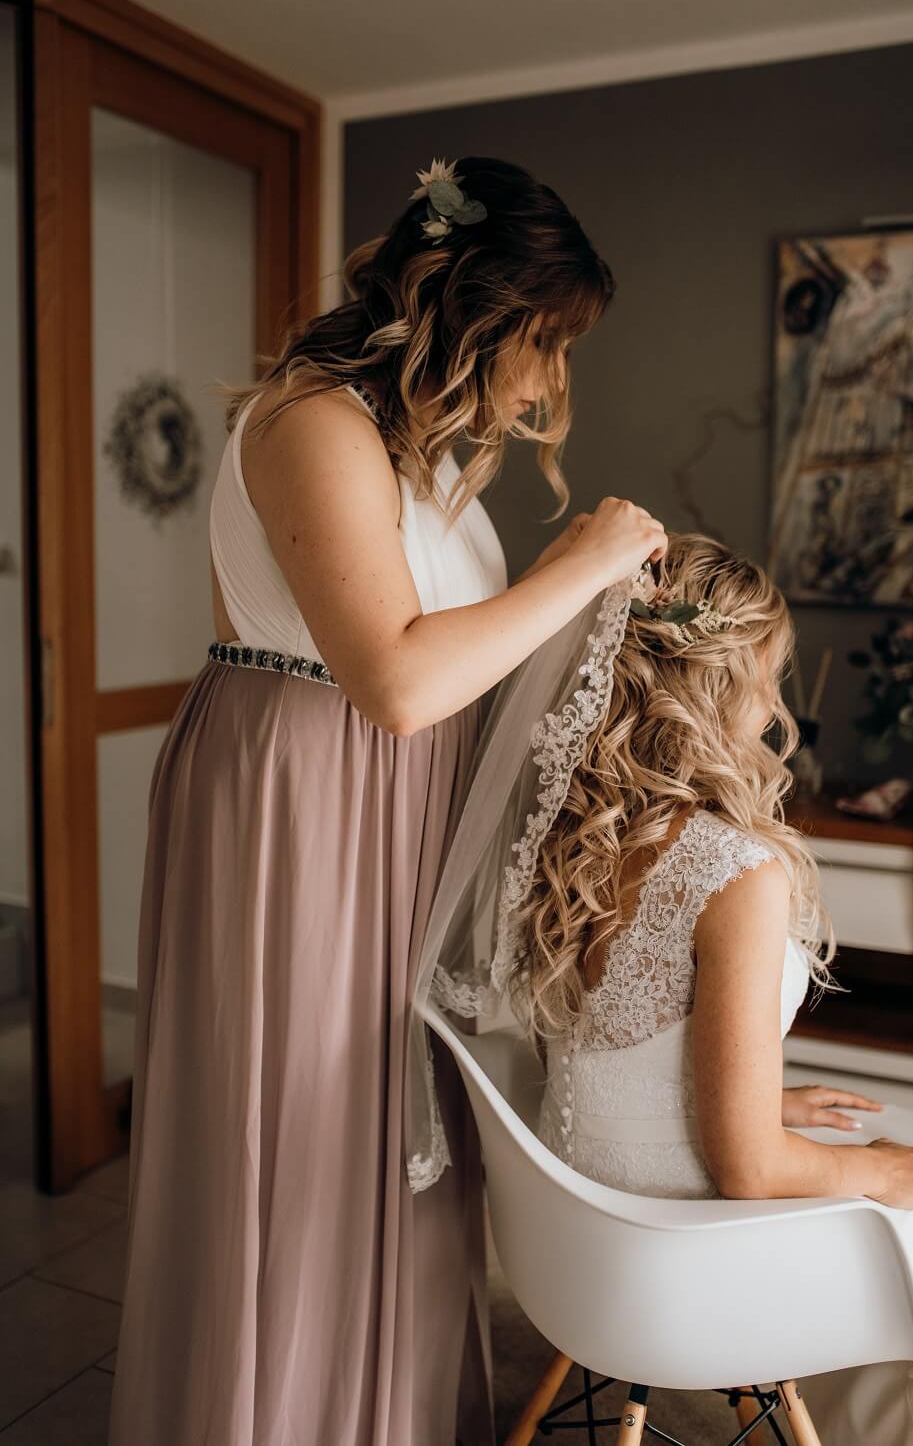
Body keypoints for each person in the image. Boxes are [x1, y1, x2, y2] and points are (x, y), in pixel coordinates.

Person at [107, 154, 669, 1446]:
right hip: (301, 817)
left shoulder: (420, 458)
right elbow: (397, 683)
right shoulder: (314, 425)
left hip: (407, 820)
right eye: (543, 343)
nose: (546, 386)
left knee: (401, 1146)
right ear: (472, 306)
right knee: (301, 1147)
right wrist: (577, 563)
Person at [422, 532, 913, 1445]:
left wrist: (766, 1096)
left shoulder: (571, 843)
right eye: (767, 674)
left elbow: (613, 1045)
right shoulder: (734, 871)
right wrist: (875, 1172)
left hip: (579, 1223)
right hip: (684, 1250)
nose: (774, 704)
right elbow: (750, 1169)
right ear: (717, 685)